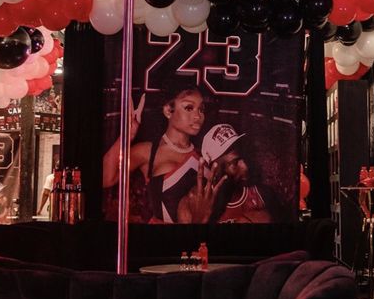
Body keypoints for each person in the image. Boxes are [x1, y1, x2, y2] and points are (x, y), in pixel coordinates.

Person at [102, 81, 206, 223]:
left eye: (201, 109)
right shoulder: (149, 151)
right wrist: (127, 135)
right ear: (168, 110)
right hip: (158, 240)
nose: (197, 116)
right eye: (189, 108)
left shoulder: (204, 156)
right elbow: (106, 178)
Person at [178, 123, 282, 224]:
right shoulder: (190, 204)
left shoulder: (263, 195)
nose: (245, 167)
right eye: (234, 163)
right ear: (213, 167)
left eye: (244, 157)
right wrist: (198, 221)